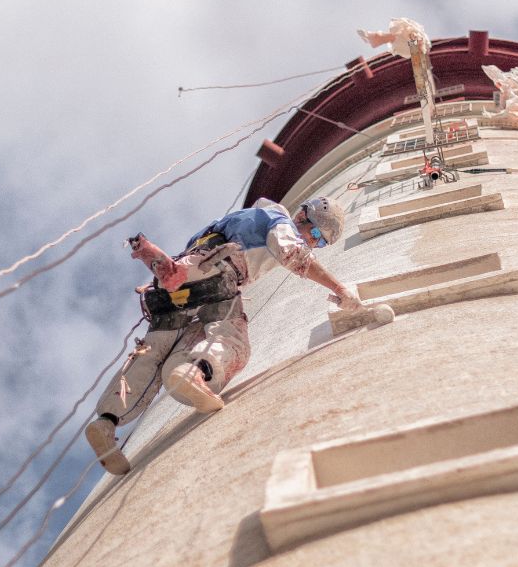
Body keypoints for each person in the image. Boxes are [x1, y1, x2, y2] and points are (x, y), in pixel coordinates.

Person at [85, 196, 394, 474]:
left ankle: (107, 422)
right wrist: (339, 289)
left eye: (320, 243)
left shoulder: (237, 219)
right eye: (315, 233)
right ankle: (195, 372)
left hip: (179, 283)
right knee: (231, 339)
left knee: (155, 350)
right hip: (220, 274)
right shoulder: (279, 220)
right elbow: (293, 255)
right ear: (302, 216)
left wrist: (179, 273)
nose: (312, 243)